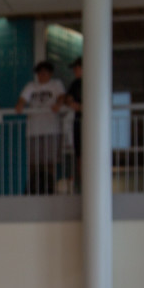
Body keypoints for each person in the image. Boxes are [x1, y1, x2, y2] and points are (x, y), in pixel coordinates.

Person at [16, 61, 66, 195]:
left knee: (50, 161)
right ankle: (34, 187)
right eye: (39, 73)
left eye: (44, 73)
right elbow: (23, 98)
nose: (41, 75)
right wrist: (20, 105)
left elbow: (61, 96)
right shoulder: (31, 86)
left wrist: (59, 104)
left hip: (51, 128)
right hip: (34, 130)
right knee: (34, 161)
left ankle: (49, 187)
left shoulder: (56, 84)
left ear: (50, 74)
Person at [63, 58, 84, 189]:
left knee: (90, 154)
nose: (75, 71)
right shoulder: (75, 83)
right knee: (79, 154)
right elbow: (67, 98)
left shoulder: (95, 81)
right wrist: (71, 104)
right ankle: (82, 185)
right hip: (78, 123)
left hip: (90, 124)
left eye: (77, 68)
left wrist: (82, 107)